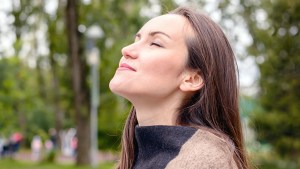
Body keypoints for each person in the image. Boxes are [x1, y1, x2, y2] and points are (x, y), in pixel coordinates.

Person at [109, 6, 249, 169]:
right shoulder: (133, 161)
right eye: (136, 40)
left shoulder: (206, 162)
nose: (126, 50)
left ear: (192, 78)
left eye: (155, 43)